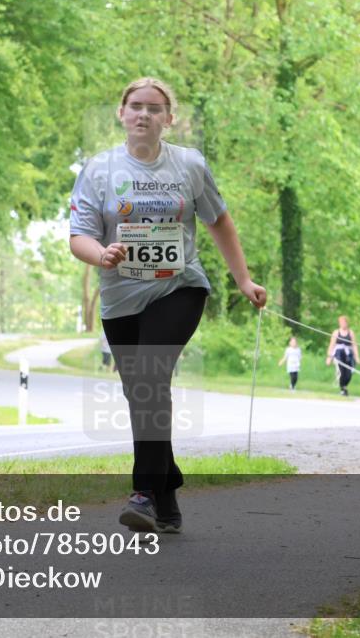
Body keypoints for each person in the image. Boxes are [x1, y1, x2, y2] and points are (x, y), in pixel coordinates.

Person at [69, 77, 266, 535]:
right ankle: (168, 490)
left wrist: (243, 279)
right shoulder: (98, 170)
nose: (144, 115)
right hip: (120, 298)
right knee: (141, 393)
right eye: (135, 106)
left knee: (152, 377)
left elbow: (218, 220)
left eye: (154, 108)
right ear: (121, 114)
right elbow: (79, 236)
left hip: (180, 287)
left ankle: (142, 493)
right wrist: (102, 254)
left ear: (168, 119)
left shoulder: (189, 166)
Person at [326, 315, 360, 396]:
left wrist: (357, 356)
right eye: (341, 322)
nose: (343, 324)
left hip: (348, 354)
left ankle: (345, 386)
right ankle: (342, 388)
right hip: (339, 354)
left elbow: (354, 345)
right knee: (341, 371)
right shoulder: (336, 332)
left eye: (344, 322)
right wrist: (329, 357)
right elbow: (332, 344)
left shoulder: (351, 333)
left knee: (349, 373)